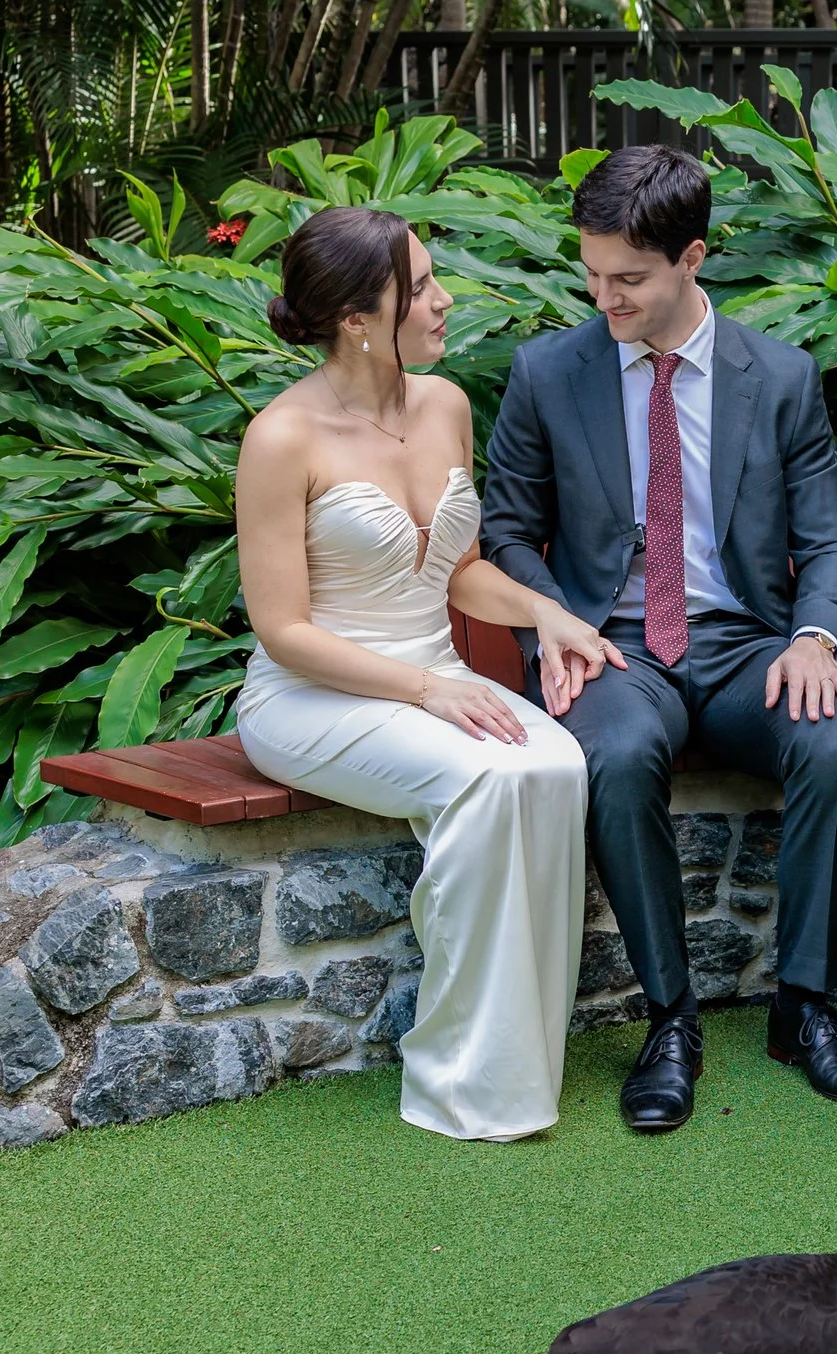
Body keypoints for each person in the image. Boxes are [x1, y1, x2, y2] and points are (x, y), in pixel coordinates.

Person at [480, 145, 837, 1135]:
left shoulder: (781, 378)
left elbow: (829, 544)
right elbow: (502, 530)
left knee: (832, 743)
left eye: (629, 278)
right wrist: (555, 617)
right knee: (613, 757)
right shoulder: (547, 373)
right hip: (610, 640)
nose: (603, 295)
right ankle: (670, 1021)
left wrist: (815, 637)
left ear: (691, 258)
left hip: (746, 639)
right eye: (591, 273)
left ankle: (805, 1005)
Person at [233, 206, 621, 1142]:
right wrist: (426, 689)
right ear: (359, 320)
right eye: (421, 287)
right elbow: (282, 629)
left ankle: (517, 1064)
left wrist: (548, 612)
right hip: (316, 695)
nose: (445, 300)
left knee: (557, 763)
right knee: (490, 775)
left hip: (435, 675)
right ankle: (455, 1075)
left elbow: (459, 572)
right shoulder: (280, 439)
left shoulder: (444, 404)